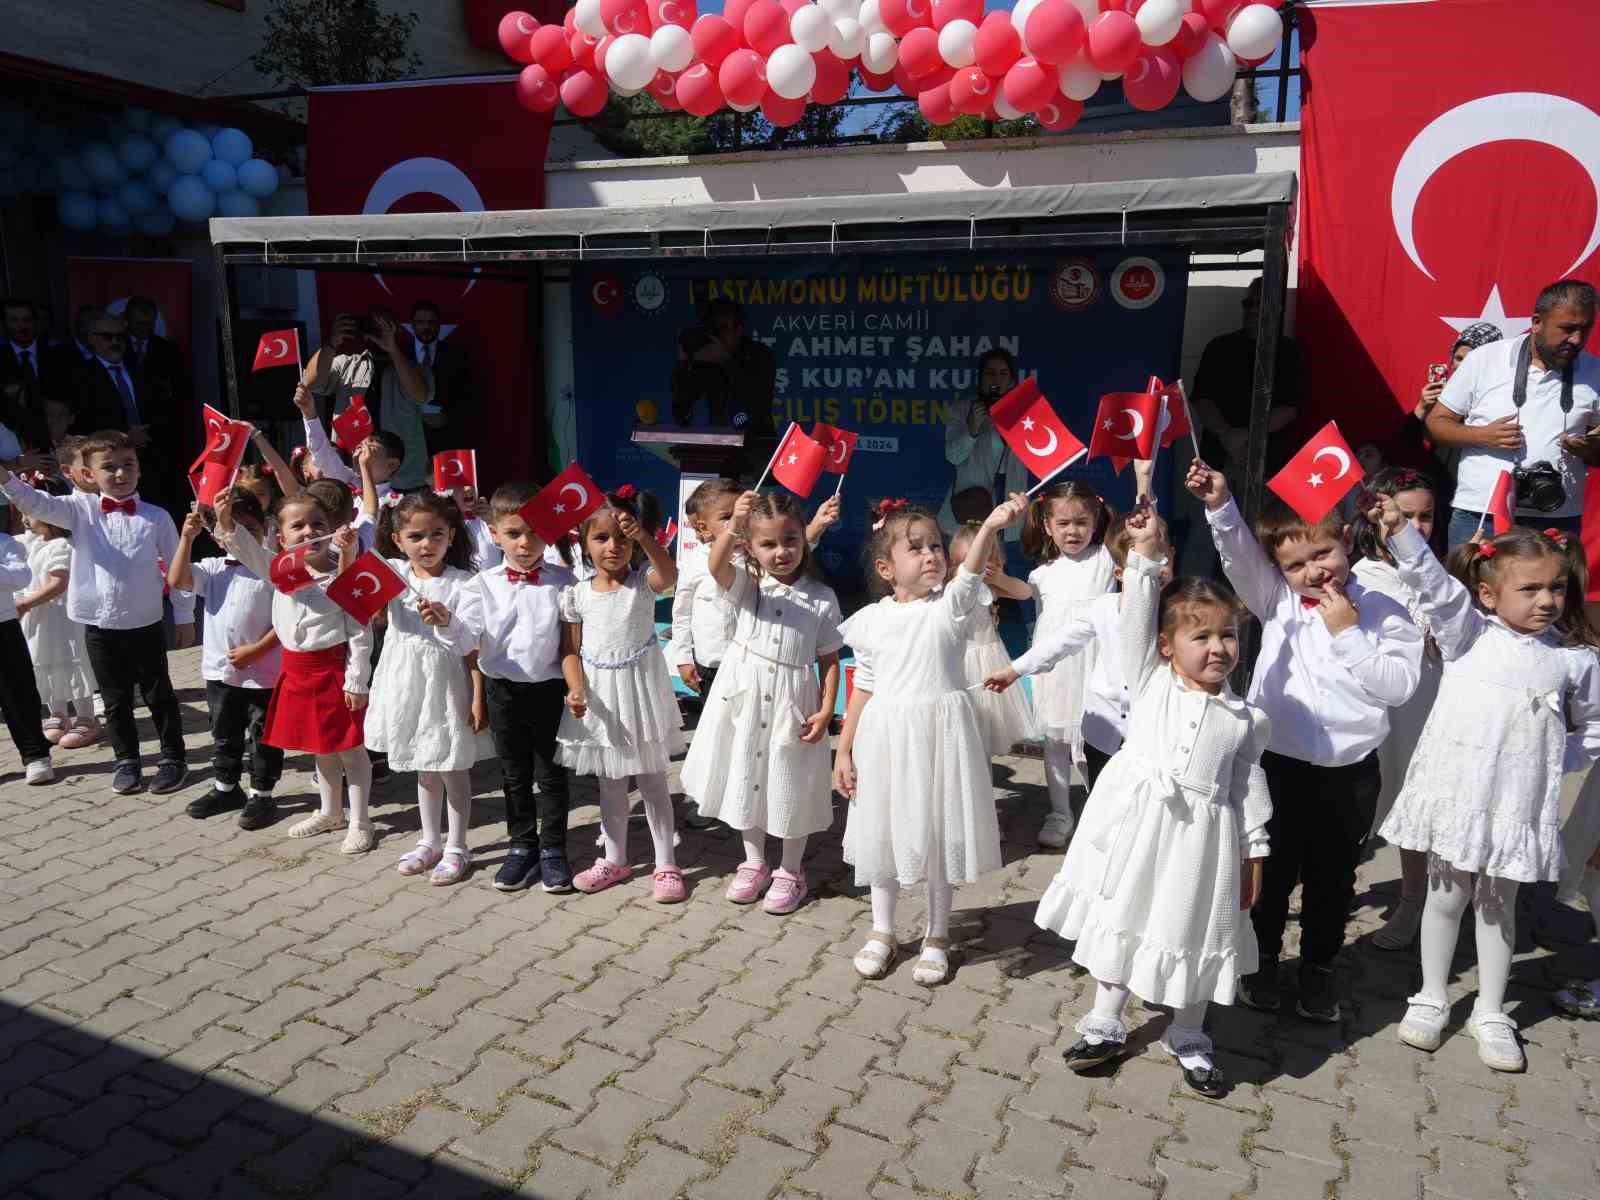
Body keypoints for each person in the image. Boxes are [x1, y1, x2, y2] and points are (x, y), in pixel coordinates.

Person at [1033, 505, 1270, 1097]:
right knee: (1128, 916)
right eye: (1202, 636)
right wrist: (1145, 554)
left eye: (1228, 636)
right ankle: (1106, 1022)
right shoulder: (1149, 679)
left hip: (1204, 846)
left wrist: (1254, 851)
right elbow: (1139, 614)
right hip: (1142, 830)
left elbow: (1248, 784)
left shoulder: (1244, 718)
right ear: (1167, 646)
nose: (1218, 648)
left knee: (1193, 928)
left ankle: (1188, 1032)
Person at [1191, 459, 1422, 1021]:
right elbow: (1240, 558)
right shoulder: (1279, 601)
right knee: (1272, 870)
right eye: (1294, 564)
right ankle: (1262, 958)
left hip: (1351, 770)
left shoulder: (1384, 609)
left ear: (1346, 540)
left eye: (1322, 554)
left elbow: (1399, 687)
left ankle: (1319, 966)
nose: (1313, 572)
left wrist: (1348, 635)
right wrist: (1220, 505)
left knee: (1333, 878)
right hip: (1278, 765)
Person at [1369, 510, 1600, 1072]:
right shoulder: (1466, 635)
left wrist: (1552, 761)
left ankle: (1493, 1010)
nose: (1546, 599)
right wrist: (1401, 531)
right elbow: (1433, 583)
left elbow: (1591, 728)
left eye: (1556, 587)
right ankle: (1430, 996)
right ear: (1490, 595)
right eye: (1530, 588)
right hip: (1459, 797)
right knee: (1446, 897)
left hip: (1516, 805)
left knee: (1500, 905)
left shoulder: (1574, 660)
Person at [834, 495, 1022, 986]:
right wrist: (844, 747)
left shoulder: (952, 607)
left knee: (935, 834)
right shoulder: (873, 619)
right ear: (886, 567)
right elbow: (865, 685)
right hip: (886, 738)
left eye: (935, 545)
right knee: (884, 829)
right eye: (914, 548)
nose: (930, 555)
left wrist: (990, 527)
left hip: (940, 736)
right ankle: (882, 930)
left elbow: (971, 574)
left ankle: (938, 935)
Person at [0, 431, 193, 796]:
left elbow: (178, 570)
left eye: (129, 465)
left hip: (147, 621)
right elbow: (34, 503)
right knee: (115, 699)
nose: (121, 473)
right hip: (99, 625)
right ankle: (127, 761)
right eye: (110, 467)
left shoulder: (157, 517)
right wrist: (6, 478)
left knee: (159, 695)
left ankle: (173, 758)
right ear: (88, 474)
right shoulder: (79, 510)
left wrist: (184, 616)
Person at [680, 490, 843, 914]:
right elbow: (716, 566)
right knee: (746, 779)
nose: (781, 551)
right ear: (750, 547)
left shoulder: (822, 597)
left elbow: (830, 658)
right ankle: (753, 862)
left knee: (790, 785)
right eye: (768, 544)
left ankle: (791, 870)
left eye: (790, 540)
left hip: (794, 701)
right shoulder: (749, 587)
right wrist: (734, 523)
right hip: (746, 700)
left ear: (804, 540)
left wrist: (827, 710)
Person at [214, 489, 376, 852]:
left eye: (317, 524)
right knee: (321, 748)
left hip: (334, 672)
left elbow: (360, 633)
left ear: (332, 528)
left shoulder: (344, 573)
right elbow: (248, 551)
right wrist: (226, 522)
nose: (307, 532)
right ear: (280, 535)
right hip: (296, 672)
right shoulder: (281, 570)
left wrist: (356, 680)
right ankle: (330, 811)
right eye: (297, 525)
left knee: (350, 749)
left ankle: (360, 821)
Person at [557, 486, 686, 902]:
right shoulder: (576, 594)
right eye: (601, 538)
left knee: (652, 781)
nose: (613, 546)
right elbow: (570, 652)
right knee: (611, 785)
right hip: (601, 698)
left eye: (623, 538)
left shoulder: (641, 584)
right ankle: (614, 858)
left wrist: (646, 538)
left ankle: (666, 863)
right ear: (584, 542)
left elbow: (669, 576)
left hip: (641, 693)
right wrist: (576, 689)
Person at [1348, 468, 1445, 951]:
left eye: (1426, 516)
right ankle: (1338, 880)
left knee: (1412, 797)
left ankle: (1413, 900)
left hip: (1421, 707)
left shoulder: (1438, 574)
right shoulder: (1361, 575)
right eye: (1406, 515)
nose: (1419, 526)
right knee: (1356, 799)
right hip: (1369, 705)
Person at [366, 492, 484, 886]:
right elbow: (356, 595)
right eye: (416, 536)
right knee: (424, 762)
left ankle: (458, 845)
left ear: (451, 535)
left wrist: (447, 620)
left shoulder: (465, 583)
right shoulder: (394, 574)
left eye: (436, 534)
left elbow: (470, 643)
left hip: (446, 682)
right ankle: (430, 839)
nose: (427, 544)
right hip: (405, 681)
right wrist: (349, 552)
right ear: (398, 539)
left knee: (451, 764)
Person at [1428, 280, 1600, 547]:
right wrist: (1482, 436)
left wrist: (1590, 450)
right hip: (1481, 514)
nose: (1577, 339)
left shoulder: (1595, 371)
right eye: (1567, 329)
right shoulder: (1484, 359)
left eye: (1585, 329)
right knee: (1471, 590)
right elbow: (1436, 423)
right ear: (1536, 322)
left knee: (1553, 591)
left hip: (1557, 515)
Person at [470, 481, 578, 894]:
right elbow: (466, 638)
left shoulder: (563, 581)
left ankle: (553, 849)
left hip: (550, 691)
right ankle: (521, 846)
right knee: (514, 774)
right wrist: (443, 620)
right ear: (494, 533)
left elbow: (571, 641)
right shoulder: (483, 583)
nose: (524, 543)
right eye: (514, 533)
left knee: (551, 774)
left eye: (534, 533)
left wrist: (576, 686)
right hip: (503, 690)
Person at [167, 491, 283, 830]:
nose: (241, 538)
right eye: (233, 530)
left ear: (266, 530)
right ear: (218, 536)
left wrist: (258, 649)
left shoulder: (273, 570)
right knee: (224, 733)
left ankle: (262, 793)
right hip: (221, 673)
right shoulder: (214, 568)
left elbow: (287, 621)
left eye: (249, 529)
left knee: (263, 736)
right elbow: (177, 580)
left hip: (264, 673)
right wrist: (187, 538)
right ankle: (226, 788)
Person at [1023, 481, 1117, 849]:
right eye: (1062, 523)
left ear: (1096, 521)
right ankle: (1060, 812)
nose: (1072, 531)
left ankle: (1101, 812)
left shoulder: (1107, 559)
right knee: (1056, 742)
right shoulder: (1041, 574)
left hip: (1096, 666)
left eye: (1081, 521)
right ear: (1047, 526)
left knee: (1090, 745)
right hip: (1059, 671)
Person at [305, 310, 433, 492]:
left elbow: (420, 394)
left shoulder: (415, 368)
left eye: (385, 328)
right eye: (374, 329)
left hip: (404, 477)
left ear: (397, 332)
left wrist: (393, 348)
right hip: (349, 472)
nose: (378, 334)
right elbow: (310, 383)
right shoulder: (348, 364)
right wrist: (332, 343)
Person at [1191, 279, 1302, 480]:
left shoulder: (1289, 351)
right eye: (1248, 303)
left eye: (1259, 304)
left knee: (1266, 513)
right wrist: (1227, 436)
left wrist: (1245, 435)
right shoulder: (1220, 347)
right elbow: (1201, 399)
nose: (1252, 309)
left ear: (1276, 308)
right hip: (1219, 461)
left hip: (1269, 465)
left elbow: (1289, 408)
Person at [14, 499, 99, 752]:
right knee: (44, 660)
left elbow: (58, 583)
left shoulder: (62, 545)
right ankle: (58, 712)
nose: (23, 519)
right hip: (40, 619)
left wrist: (26, 603)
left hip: (60, 616)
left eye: (28, 513)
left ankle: (87, 717)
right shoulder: (34, 543)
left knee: (71, 659)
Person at [948, 522, 1035, 758]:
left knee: (986, 734)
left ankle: (983, 786)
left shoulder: (990, 587)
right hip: (964, 665)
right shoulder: (953, 590)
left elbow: (1025, 593)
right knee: (966, 733)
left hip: (991, 661)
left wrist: (1000, 578)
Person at [1409, 322, 1505, 510]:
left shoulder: (1502, 399)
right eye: (1459, 358)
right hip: (1438, 498)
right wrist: (1422, 408)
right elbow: (1406, 448)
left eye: (1472, 359)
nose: (1464, 365)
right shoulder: (1442, 402)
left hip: (1479, 503)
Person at [0, 525, 53, 784]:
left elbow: (21, 577)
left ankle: (35, 755)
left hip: (3, 625)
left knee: (17, 693)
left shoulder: (4, 542)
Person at [701, 299, 778, 474]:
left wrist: (726, 360)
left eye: (724, 329)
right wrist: (687, 362)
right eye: (714, 329)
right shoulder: (707, 360)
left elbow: (758, 398)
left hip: (757, 449)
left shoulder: (762, 355)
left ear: (739, 330)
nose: (718, 335)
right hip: (720, 452)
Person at [409, 301, 471, 456]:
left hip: (446, 439)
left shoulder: (458, 356)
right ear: (412, 325)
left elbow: (469, 397)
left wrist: (448, 417)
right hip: (408, 436)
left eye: (431, 322)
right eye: (420, 322)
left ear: (439, 324)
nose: (426, 327)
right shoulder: (399, 354)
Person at [0, 296, 76, 405]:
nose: (22, 326)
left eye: (27, 320)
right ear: (4, 324)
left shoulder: (61, 354)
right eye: (14, 320)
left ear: (36, 322)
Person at [122, 296, 186, 416]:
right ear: (127, 320)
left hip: (159, 420)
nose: (144, 328)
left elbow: (180, 387)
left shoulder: (168, 349)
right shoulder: (116, 346)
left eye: (149, 324)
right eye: (139, 323)